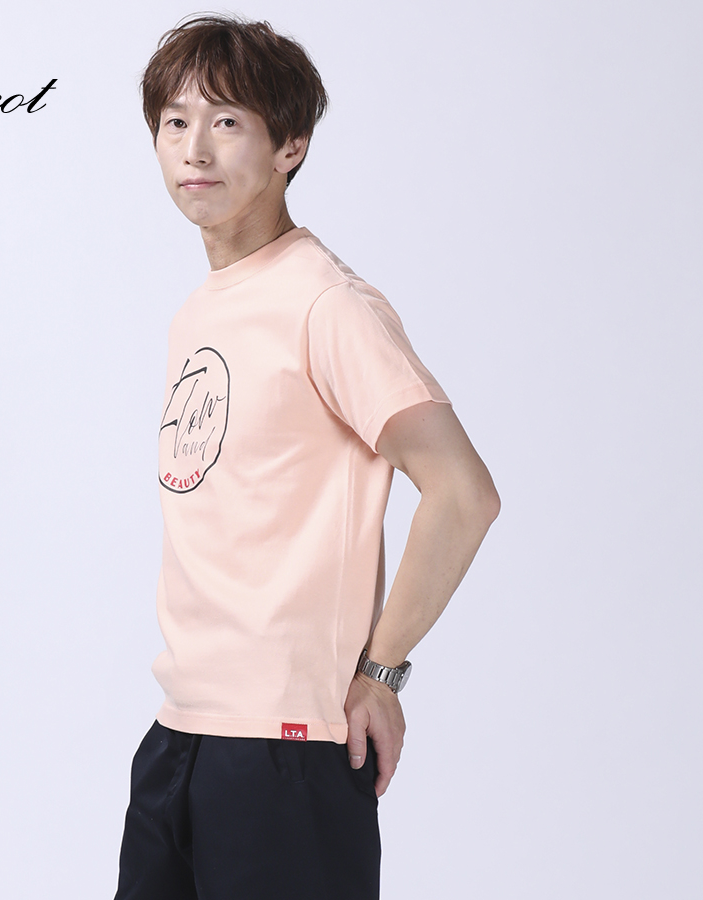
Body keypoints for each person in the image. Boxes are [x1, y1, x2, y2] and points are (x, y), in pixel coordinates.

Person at [114, 14, 500, 900]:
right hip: (182, 733)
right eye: (175, 122)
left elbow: (463, 492)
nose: (195, 149)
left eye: (227, 121)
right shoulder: (201, 310)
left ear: (290, 145)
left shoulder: (327, 304)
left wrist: (382, 671)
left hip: (287, 749)